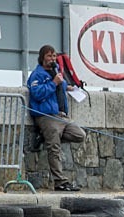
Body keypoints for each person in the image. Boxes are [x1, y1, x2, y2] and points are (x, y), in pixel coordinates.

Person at [27, 44, 85, 192]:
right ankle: (60, 182)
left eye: (54, 56)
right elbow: (37, 94)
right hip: (46, 116)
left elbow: (60, 84)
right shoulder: (36, 75)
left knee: (79, 135)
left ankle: (46, 137)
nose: (52, 59)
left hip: (62, 116)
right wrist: (54, 83)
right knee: (54, 149)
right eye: (49, 56)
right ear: (42, 58)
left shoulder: (56, 71)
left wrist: (67, 86)